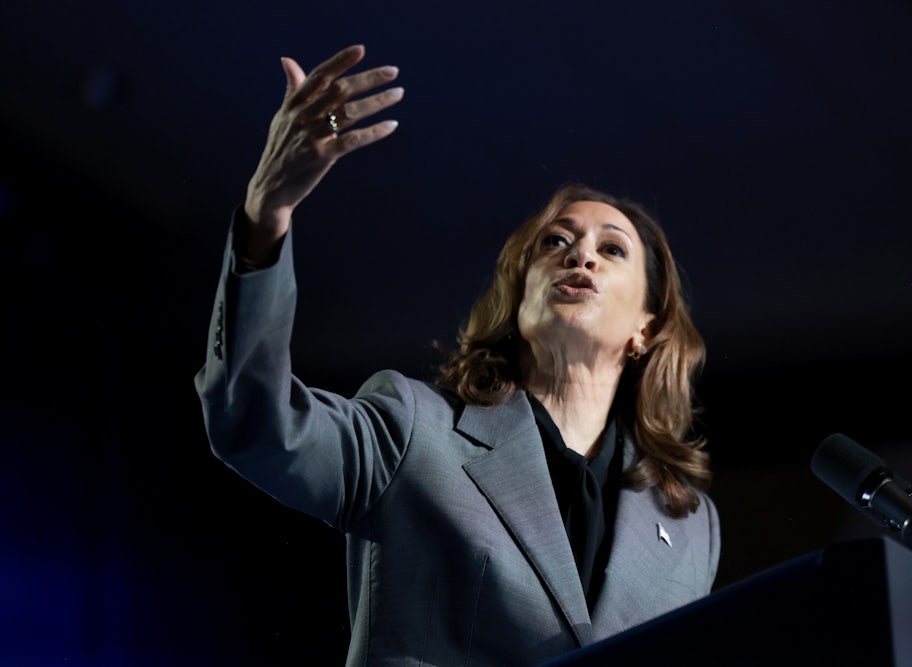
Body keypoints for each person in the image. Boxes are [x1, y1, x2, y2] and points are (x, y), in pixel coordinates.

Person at [195, 44, 720, 666]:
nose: (580, 256)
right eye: (556, 241)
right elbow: (255, 426)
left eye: (612, 250)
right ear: (519, 296)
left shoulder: (690, 525)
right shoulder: (413, 430)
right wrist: (267, 213)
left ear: (646, 328)